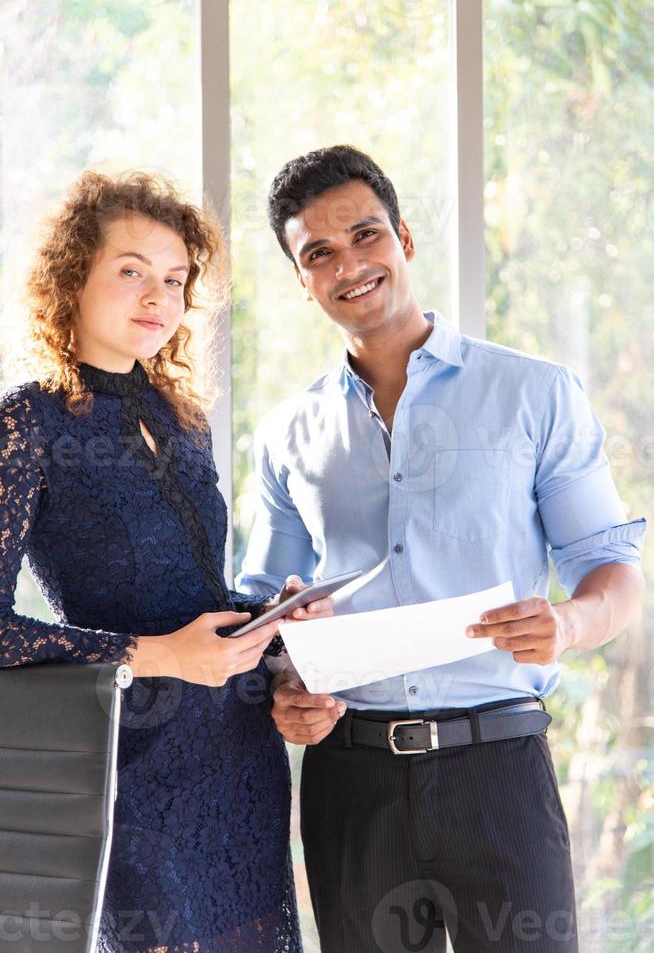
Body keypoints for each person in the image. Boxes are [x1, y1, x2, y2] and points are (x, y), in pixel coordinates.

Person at [237, 145, 647, 952]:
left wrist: (568, 623)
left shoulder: (533, 393)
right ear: (300, 277)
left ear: (406, 240)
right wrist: (285, 681)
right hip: (350, 781)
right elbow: (263, 611)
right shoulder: (288, 433)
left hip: (496, 767)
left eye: (366, 235)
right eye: (319, 253)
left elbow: (613, 570)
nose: (349, 265)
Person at [0, 171, 331, 952]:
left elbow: (198, 597)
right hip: (129, 772)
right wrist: (160, 656)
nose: (158, 295)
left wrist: (275, 623)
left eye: (176, 279)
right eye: (131, 271)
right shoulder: (27, 422)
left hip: (240, 758)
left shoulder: (185, 421)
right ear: (72, 276)